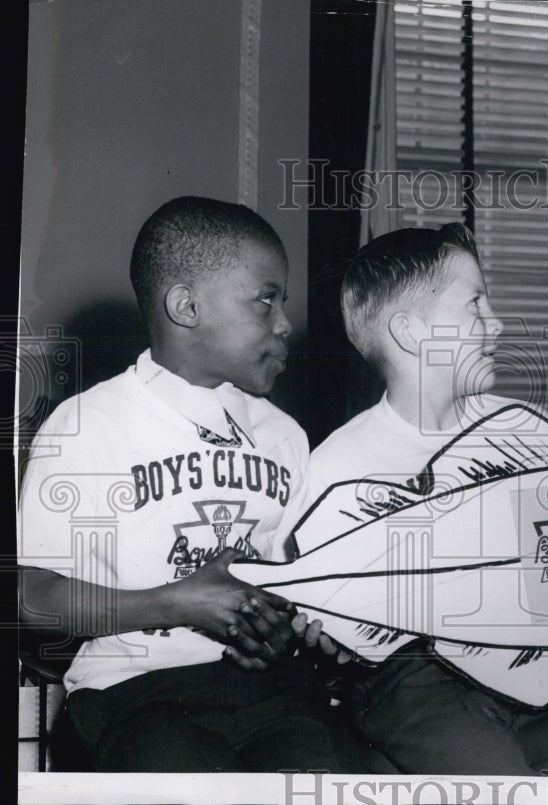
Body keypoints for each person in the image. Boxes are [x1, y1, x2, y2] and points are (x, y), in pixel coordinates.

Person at [306, 222, 548, 776]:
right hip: (415, 680)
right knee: (490, 775)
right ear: (409, 332)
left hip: (533, 661)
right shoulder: (338, 466)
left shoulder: (526, 431)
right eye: (474, 305)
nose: (496, 324)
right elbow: (332, 625)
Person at [18, 196, 355, 773]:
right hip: (134, 691)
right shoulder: (88, 424)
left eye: (284, 301)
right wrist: (176, 602)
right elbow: (32, 596)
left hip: (271, 692)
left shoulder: (284, 436)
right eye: (265, 300)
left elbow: (293, 583)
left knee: (340, 775)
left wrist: (282, 629)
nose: (284, 322)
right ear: (186, 305)